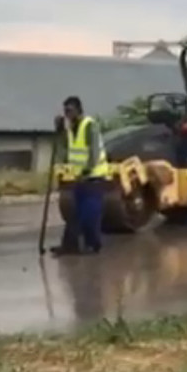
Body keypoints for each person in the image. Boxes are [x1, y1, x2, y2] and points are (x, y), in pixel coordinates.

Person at [53, 96, 109, 256]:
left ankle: (93, 245)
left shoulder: (89, 125)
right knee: (74, 214)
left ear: (78, 110)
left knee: (89, 214)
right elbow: (66, 148)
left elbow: (94, 152)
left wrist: (88, 169)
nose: (67, 114)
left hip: (94, 177)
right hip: (79, 178)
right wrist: (60, 130)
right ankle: (69, 246)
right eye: (65, 111)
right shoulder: (71, 128)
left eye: (69, 110)